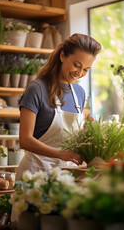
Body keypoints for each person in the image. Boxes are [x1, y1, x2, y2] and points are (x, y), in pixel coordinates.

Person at [16, 33, 101, 179]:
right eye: (76, 65)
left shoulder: (79, 93)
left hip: (66, 175)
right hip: (35, 173)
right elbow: (25, 140)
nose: (79, 73)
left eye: (86, 69)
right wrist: (61, 154)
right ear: (62, 56)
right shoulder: (37, 88)